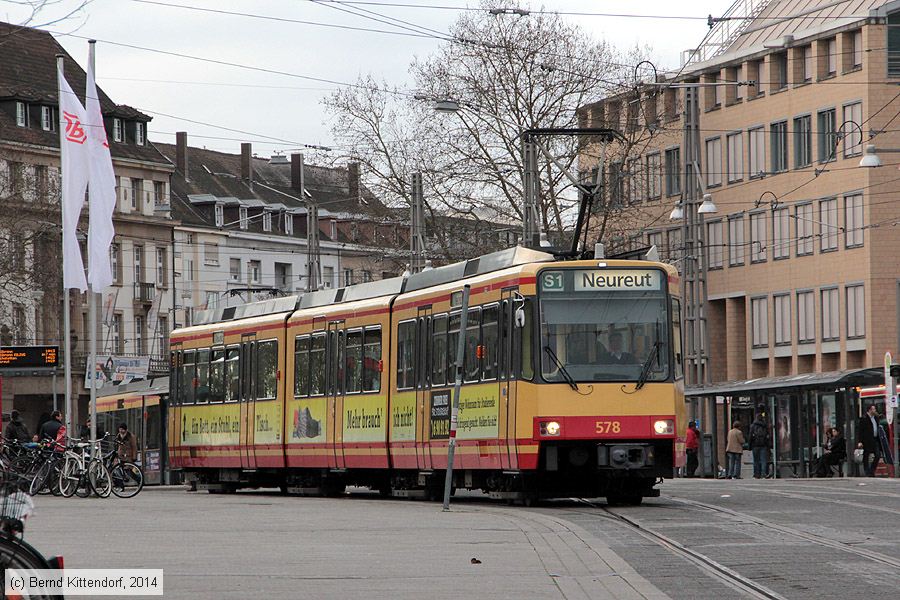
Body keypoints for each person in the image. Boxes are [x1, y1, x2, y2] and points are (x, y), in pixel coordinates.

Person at [857, 404, 881, 477]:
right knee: (866, 456)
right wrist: (860, 441)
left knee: (878, 455)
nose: (875, 410)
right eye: (873, 409)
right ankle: (867, 471)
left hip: (875, 439)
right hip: (866, 440)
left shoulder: (876, 418)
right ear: (869, 410)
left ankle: (872, 470)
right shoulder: (864, 418)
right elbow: (860, 431)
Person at [749, 409, 771, 479]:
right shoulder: (764, 425)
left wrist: (749, 446)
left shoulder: (753, 426)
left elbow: (750, 436)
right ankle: (763, 474)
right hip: (763, 445)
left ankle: (756, 474)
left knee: (756, 460)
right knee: (763, 460)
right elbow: (768, 435)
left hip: (755, 445)